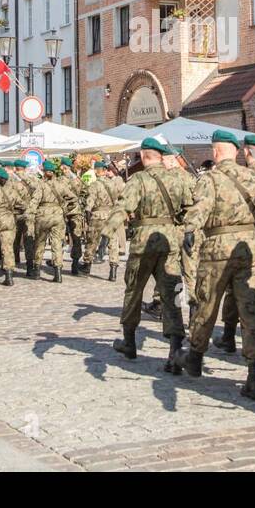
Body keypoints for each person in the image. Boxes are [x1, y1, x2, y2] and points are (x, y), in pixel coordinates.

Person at [174, 130, 255, 400]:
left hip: (217, 248)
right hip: (249, 248)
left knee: (207, 304)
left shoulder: (210, 179)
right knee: (251, 309)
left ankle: (195, 357)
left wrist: (189, 230)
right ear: (236, 151)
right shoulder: (254, 177)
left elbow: (200, 209)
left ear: (216, 152)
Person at [104, 137, 194, 372]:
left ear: (144, 156)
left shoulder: (139, 180)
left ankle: (129, 342)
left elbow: (124, 207)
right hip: (169, 240)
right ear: (161, 156)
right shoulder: (178, 179)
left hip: (144, 240)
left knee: (134, 290)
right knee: (171, 292)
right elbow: (190, 207)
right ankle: (175, 350)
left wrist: (106, 232)